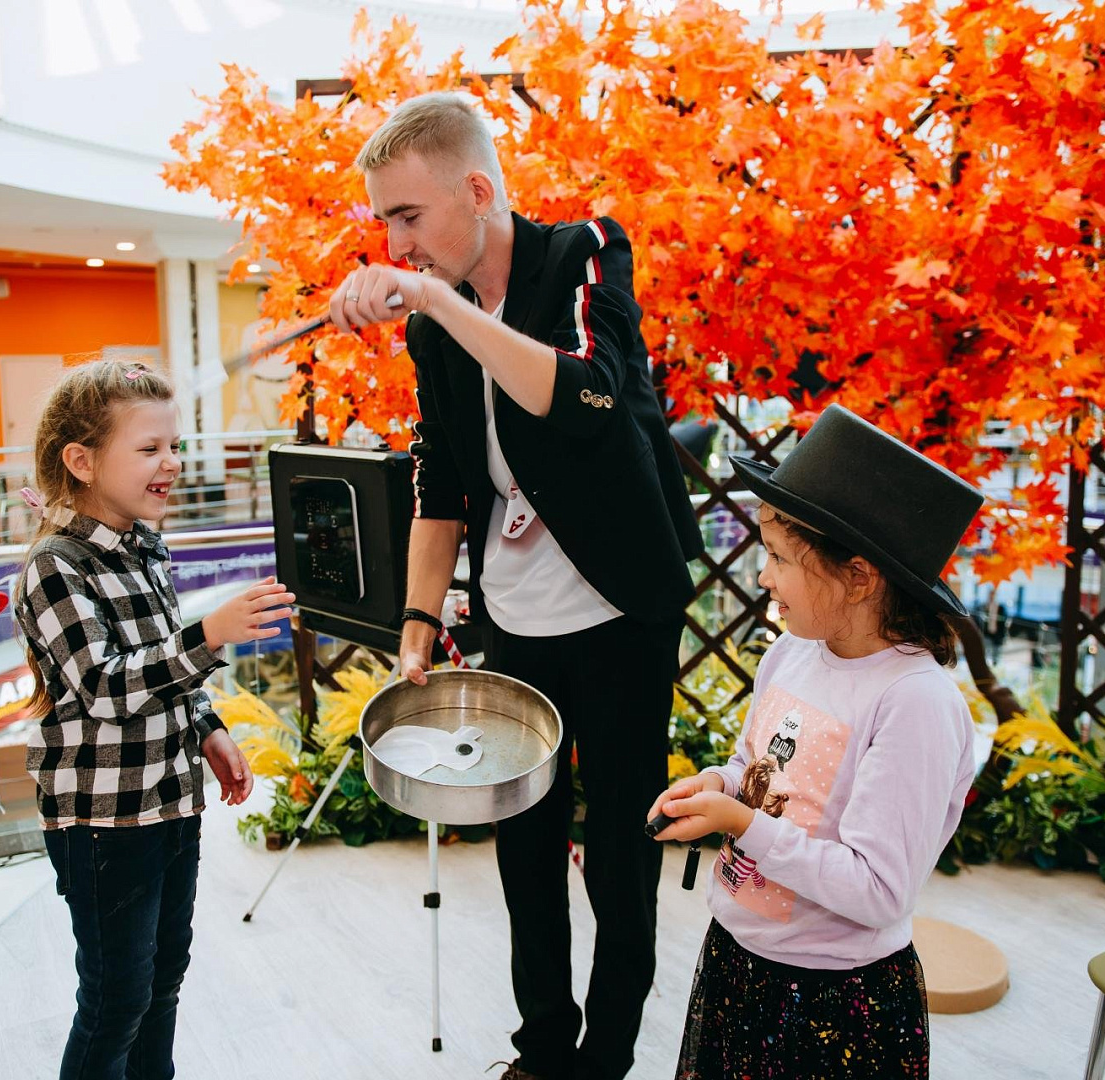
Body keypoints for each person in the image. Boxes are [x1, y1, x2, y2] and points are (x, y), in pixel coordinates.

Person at [331, 93, 703, 1080]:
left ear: (477, 190)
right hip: (516, 618)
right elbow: (441, 480)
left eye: (408, 216)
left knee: (619, 850)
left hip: (621, 609)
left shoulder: (584, 252)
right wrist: (418, 619)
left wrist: (439, 304)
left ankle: (606, 1058)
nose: (396, 245)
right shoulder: (433, 329)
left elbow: (586, 395)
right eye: (385, 223)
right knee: (523, 847)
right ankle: (541, 1050)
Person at [647, 404, 986, 1079]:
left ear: (859, 577)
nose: (762, 576)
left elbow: (879, 889)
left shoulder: (913, 701)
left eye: (779, 557)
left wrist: (741, 823)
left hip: (833, 998)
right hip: (737, 956)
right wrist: (718, 785)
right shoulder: (792, 653)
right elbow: (755, 766)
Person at [11, 359, 295, 1080]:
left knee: (163, 981)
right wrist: (210, 634)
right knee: (115, 1001)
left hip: (170, 804)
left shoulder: (144, 546)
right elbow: (106, 686)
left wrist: (209, 729)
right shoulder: (56, 566)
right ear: (81, 461)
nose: (172, 462)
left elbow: (160, 667)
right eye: (149, 448)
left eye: (175, 445)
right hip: (103, 824)